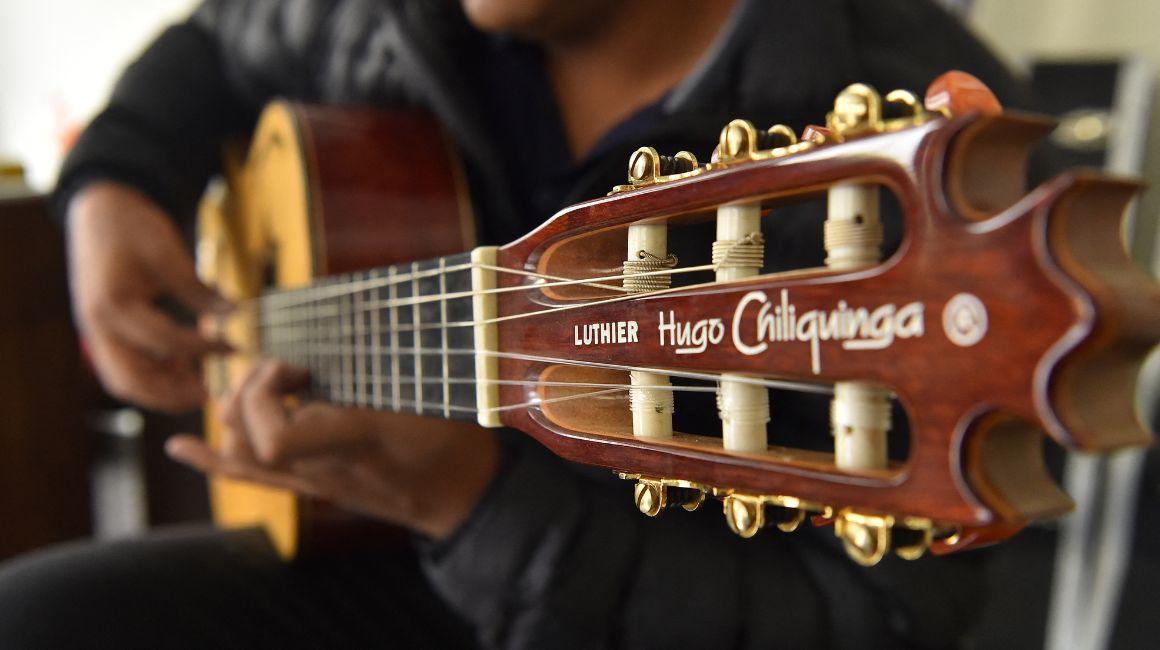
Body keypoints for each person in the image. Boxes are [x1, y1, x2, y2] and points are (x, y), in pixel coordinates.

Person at [0, 0, 1028, 647]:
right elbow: (212, 44)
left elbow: (879, 617)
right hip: (380, 545)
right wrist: (112, 189)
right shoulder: (401, 20)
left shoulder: (919, 133)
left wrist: (466, 501)